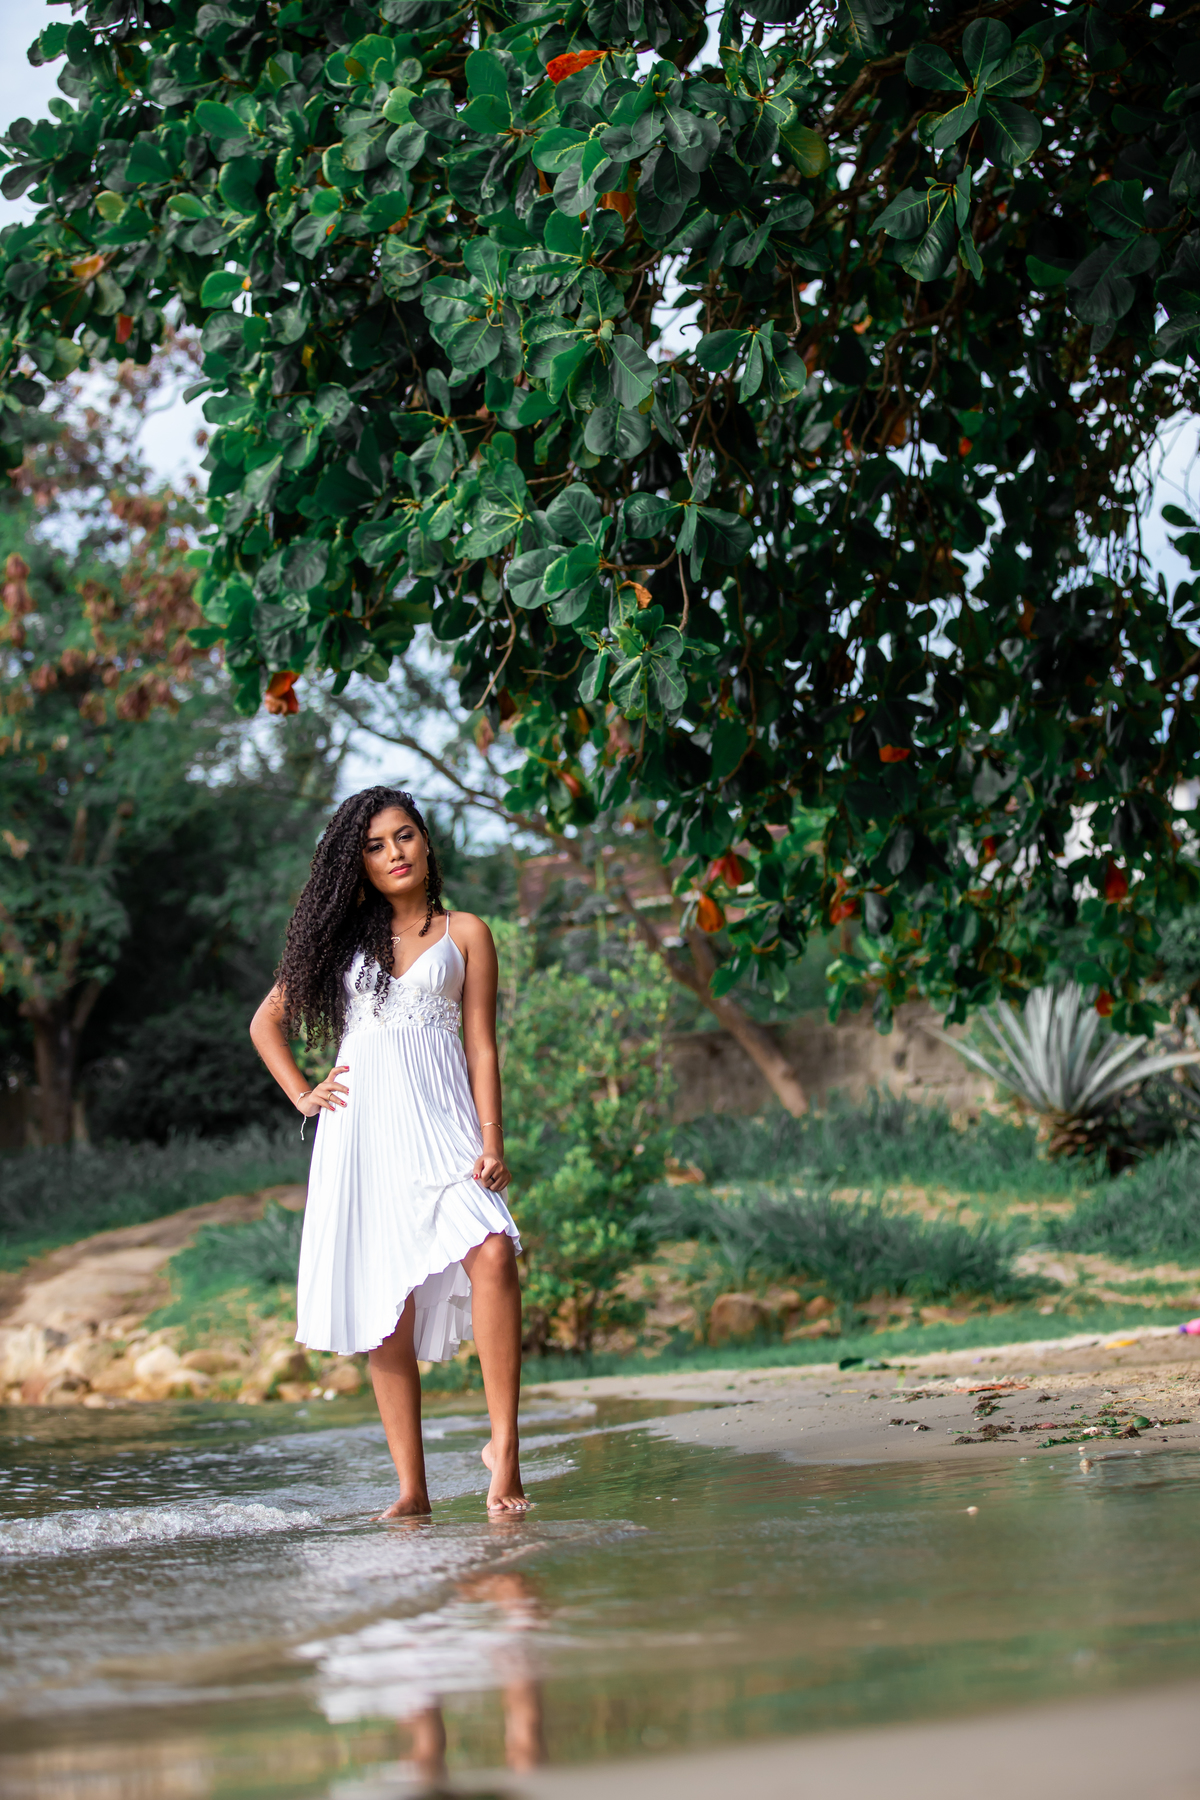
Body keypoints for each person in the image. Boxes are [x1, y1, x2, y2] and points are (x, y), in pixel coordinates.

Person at [249, 785, 528, 1518]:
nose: (393, 853)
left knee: (494, 1249)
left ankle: (506, 1450)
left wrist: (492, 1140)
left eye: (404, 836)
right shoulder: (342, 943)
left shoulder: (466, 932)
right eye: (374, 846)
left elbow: (481, 1045)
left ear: (426, 842)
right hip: (363, 1137)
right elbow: (264, 1023)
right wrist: (304, 1095)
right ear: (358, 864)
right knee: (387, 1308)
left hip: (445, 1133)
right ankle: (412, 1489)